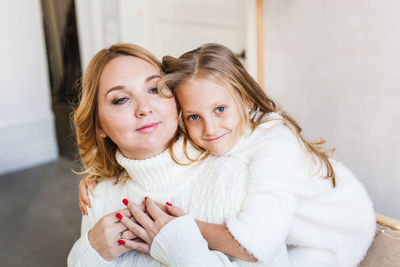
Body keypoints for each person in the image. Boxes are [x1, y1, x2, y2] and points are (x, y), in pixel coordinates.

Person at [115, 43, 376, 266]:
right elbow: (157, 158)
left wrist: (176, 230)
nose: (210, 128)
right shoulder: (216, 134)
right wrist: (100, 176)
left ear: (247, 101)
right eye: (194, 116)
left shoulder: (276, 148)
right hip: (285, 232)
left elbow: (255, 245)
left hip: (331, 241)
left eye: (220, 109)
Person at [68, 43, 261, 267]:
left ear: (176, 100)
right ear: (99, 125)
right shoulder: (97, 195)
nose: (144, 108)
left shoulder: (231, 174)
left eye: (154, 89)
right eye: (121, 99)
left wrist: (181, 251)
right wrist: (90, 253)